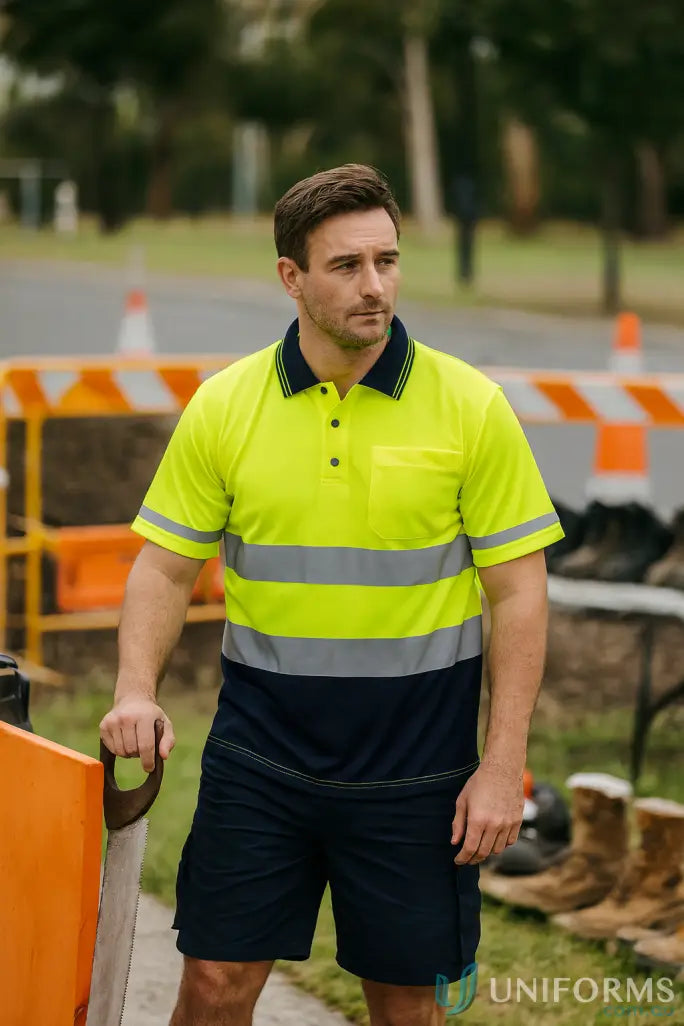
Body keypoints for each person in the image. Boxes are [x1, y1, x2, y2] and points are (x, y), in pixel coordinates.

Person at [100, 163, 564, 1026]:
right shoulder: (224, 406)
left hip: (419, 768)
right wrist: (135, 689)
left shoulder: (472, 407)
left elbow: (519, 594)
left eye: (387, 261)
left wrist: (502, 767)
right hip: (261, 757)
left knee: (405, 1005)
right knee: (212, 985)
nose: (375, 286)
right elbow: (166, 564)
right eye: (347, 266)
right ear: (292, 276)